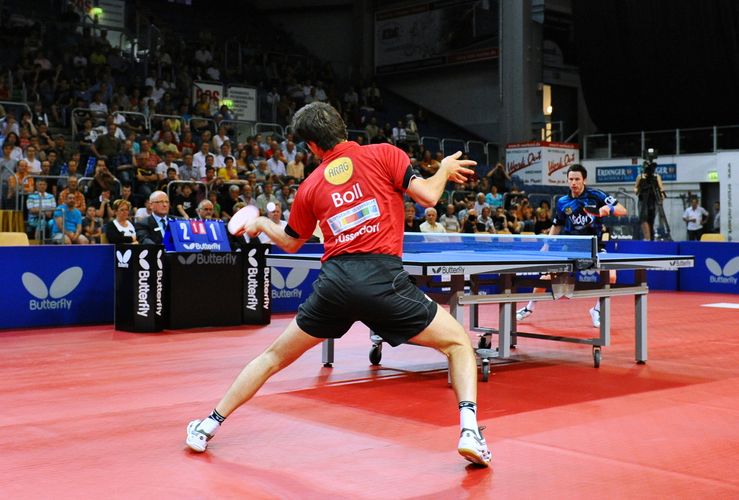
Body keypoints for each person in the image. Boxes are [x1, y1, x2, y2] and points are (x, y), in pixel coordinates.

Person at [185, 102, 491, 467]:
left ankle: (206, 425)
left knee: (272, 358)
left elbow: (290, 242)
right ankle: (470, 430)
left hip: (334, 286)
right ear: (344, 128)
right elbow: (428, 196)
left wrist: (264, 226)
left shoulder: (310, 186)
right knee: (458, 343)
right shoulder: (385, 154)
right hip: (383, 281)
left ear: (313, 147)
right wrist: (442, 169)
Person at [516, 164, 627, 327]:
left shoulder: (596, 195)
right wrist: (546, 244)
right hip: (570, 247)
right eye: (571, 179)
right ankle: (528, 308)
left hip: (593, 246)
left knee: (611, 276)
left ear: (584, 180)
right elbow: (557, 224)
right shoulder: (563, 202)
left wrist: (607, 210)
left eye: (577, 179)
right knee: (547, 277)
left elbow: (622, 210)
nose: (574, 183)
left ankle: (597, 310)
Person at [634, 163, 665, 240]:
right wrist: (637, 192)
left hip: (652, 200)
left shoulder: (656, 177)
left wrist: (662, 196)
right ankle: (647, 237)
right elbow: (635, 187)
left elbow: (661, 188)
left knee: (651, 219)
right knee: (643, 218)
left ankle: (651, 236)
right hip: (643, 199)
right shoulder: (640, 177)